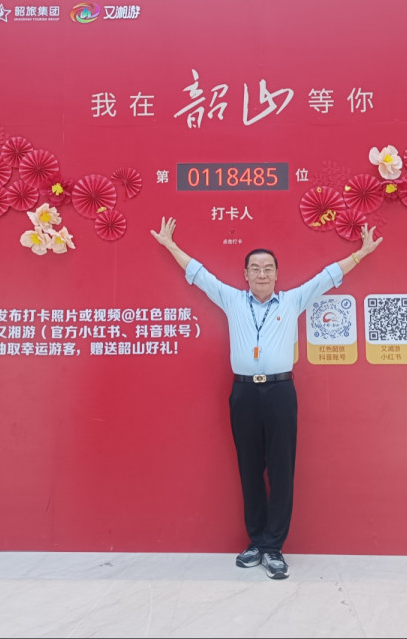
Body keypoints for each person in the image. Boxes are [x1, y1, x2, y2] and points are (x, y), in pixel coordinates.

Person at [150, 216, 383, 580]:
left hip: (280, 392)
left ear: (276, 274)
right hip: (243, 393)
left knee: (281, 469)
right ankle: (256, 542)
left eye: (268, 268)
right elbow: (199, 274)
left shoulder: (292, 300)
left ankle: (274, 547)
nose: (262, 274)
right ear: (245, 274)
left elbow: (327, 276)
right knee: (249, 469)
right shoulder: (231, 299)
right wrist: (170, 245)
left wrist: (362, 253)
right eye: (255, 268)